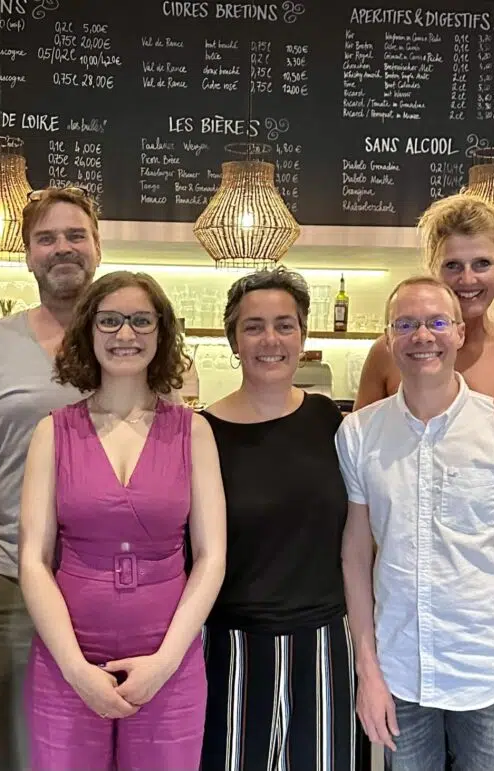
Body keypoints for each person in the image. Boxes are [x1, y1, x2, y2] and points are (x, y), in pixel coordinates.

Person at [338, 276, 494, 771]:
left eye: (437, 322)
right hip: (400, 673)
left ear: (460, 332)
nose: (422, 336)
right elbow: (356, 556)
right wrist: (368, 672)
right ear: (388, 338)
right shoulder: (358, 433)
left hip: (491, 673)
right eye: (406, 324)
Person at [19, 270, 226, 770]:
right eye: (109, 321)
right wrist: (75, 668)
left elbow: (211, 556)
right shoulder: (52, 432)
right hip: (68, 659)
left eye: (140, 321)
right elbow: (33, 560)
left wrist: (165, 662)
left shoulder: (194, 432)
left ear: (162, 332)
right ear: (88, 332)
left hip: (168, 659)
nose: (125, 334)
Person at [0, 184, 100, 770]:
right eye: (47, 238)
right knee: (12, 739)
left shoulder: (130, 336)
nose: (62, 247)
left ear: (97, 246)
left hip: (112, 578)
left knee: (98, 732)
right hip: (13, 576)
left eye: (75, 235)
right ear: (27, 255)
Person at [198, 267, 360, 771]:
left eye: (284, 325)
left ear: (302, 336)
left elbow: (353, 538)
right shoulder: (202, 432)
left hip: (325, 641)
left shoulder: (329, 422)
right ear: (234, 341)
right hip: (231, 646)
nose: (271, 340)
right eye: (254, 327)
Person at [354, 194, 494, 409]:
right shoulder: (389, 352)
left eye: (482, 264)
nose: (468, 279)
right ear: (432, 268)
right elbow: (363, 428)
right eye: (453, 265)